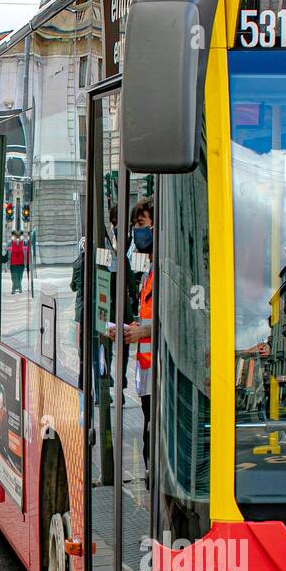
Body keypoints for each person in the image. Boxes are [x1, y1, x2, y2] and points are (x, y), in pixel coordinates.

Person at [122, 201, 154, 470]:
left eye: (141, 225)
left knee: (151, 439)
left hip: (160, 375)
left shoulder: (167, 271)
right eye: (135, 226)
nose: (136, 232)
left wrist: (144, 331)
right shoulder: (148, 273)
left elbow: (176, 320)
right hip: (146, 372)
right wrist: (133, 327)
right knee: (147, 433)